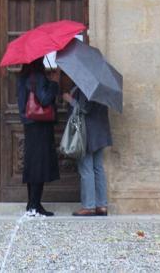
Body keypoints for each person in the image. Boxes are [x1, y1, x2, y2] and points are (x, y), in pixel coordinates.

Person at [16, 60, 60, 216]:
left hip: (30, 125)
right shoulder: (37, 77)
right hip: (40, 126)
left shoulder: (23, 77)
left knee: (33, 164)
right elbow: (45, 99)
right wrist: (54, 84)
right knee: (39, 165)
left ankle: (33, 204)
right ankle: (34, 205)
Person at [63, 88, 112, 216]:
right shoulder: (101, 87)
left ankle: (89, 206)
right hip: (100, 132)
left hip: (87, 133)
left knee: (86, 169)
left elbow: (85, 108)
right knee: (98, 168)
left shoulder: (86, 86)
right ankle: (101, 205)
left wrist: (70, 100)